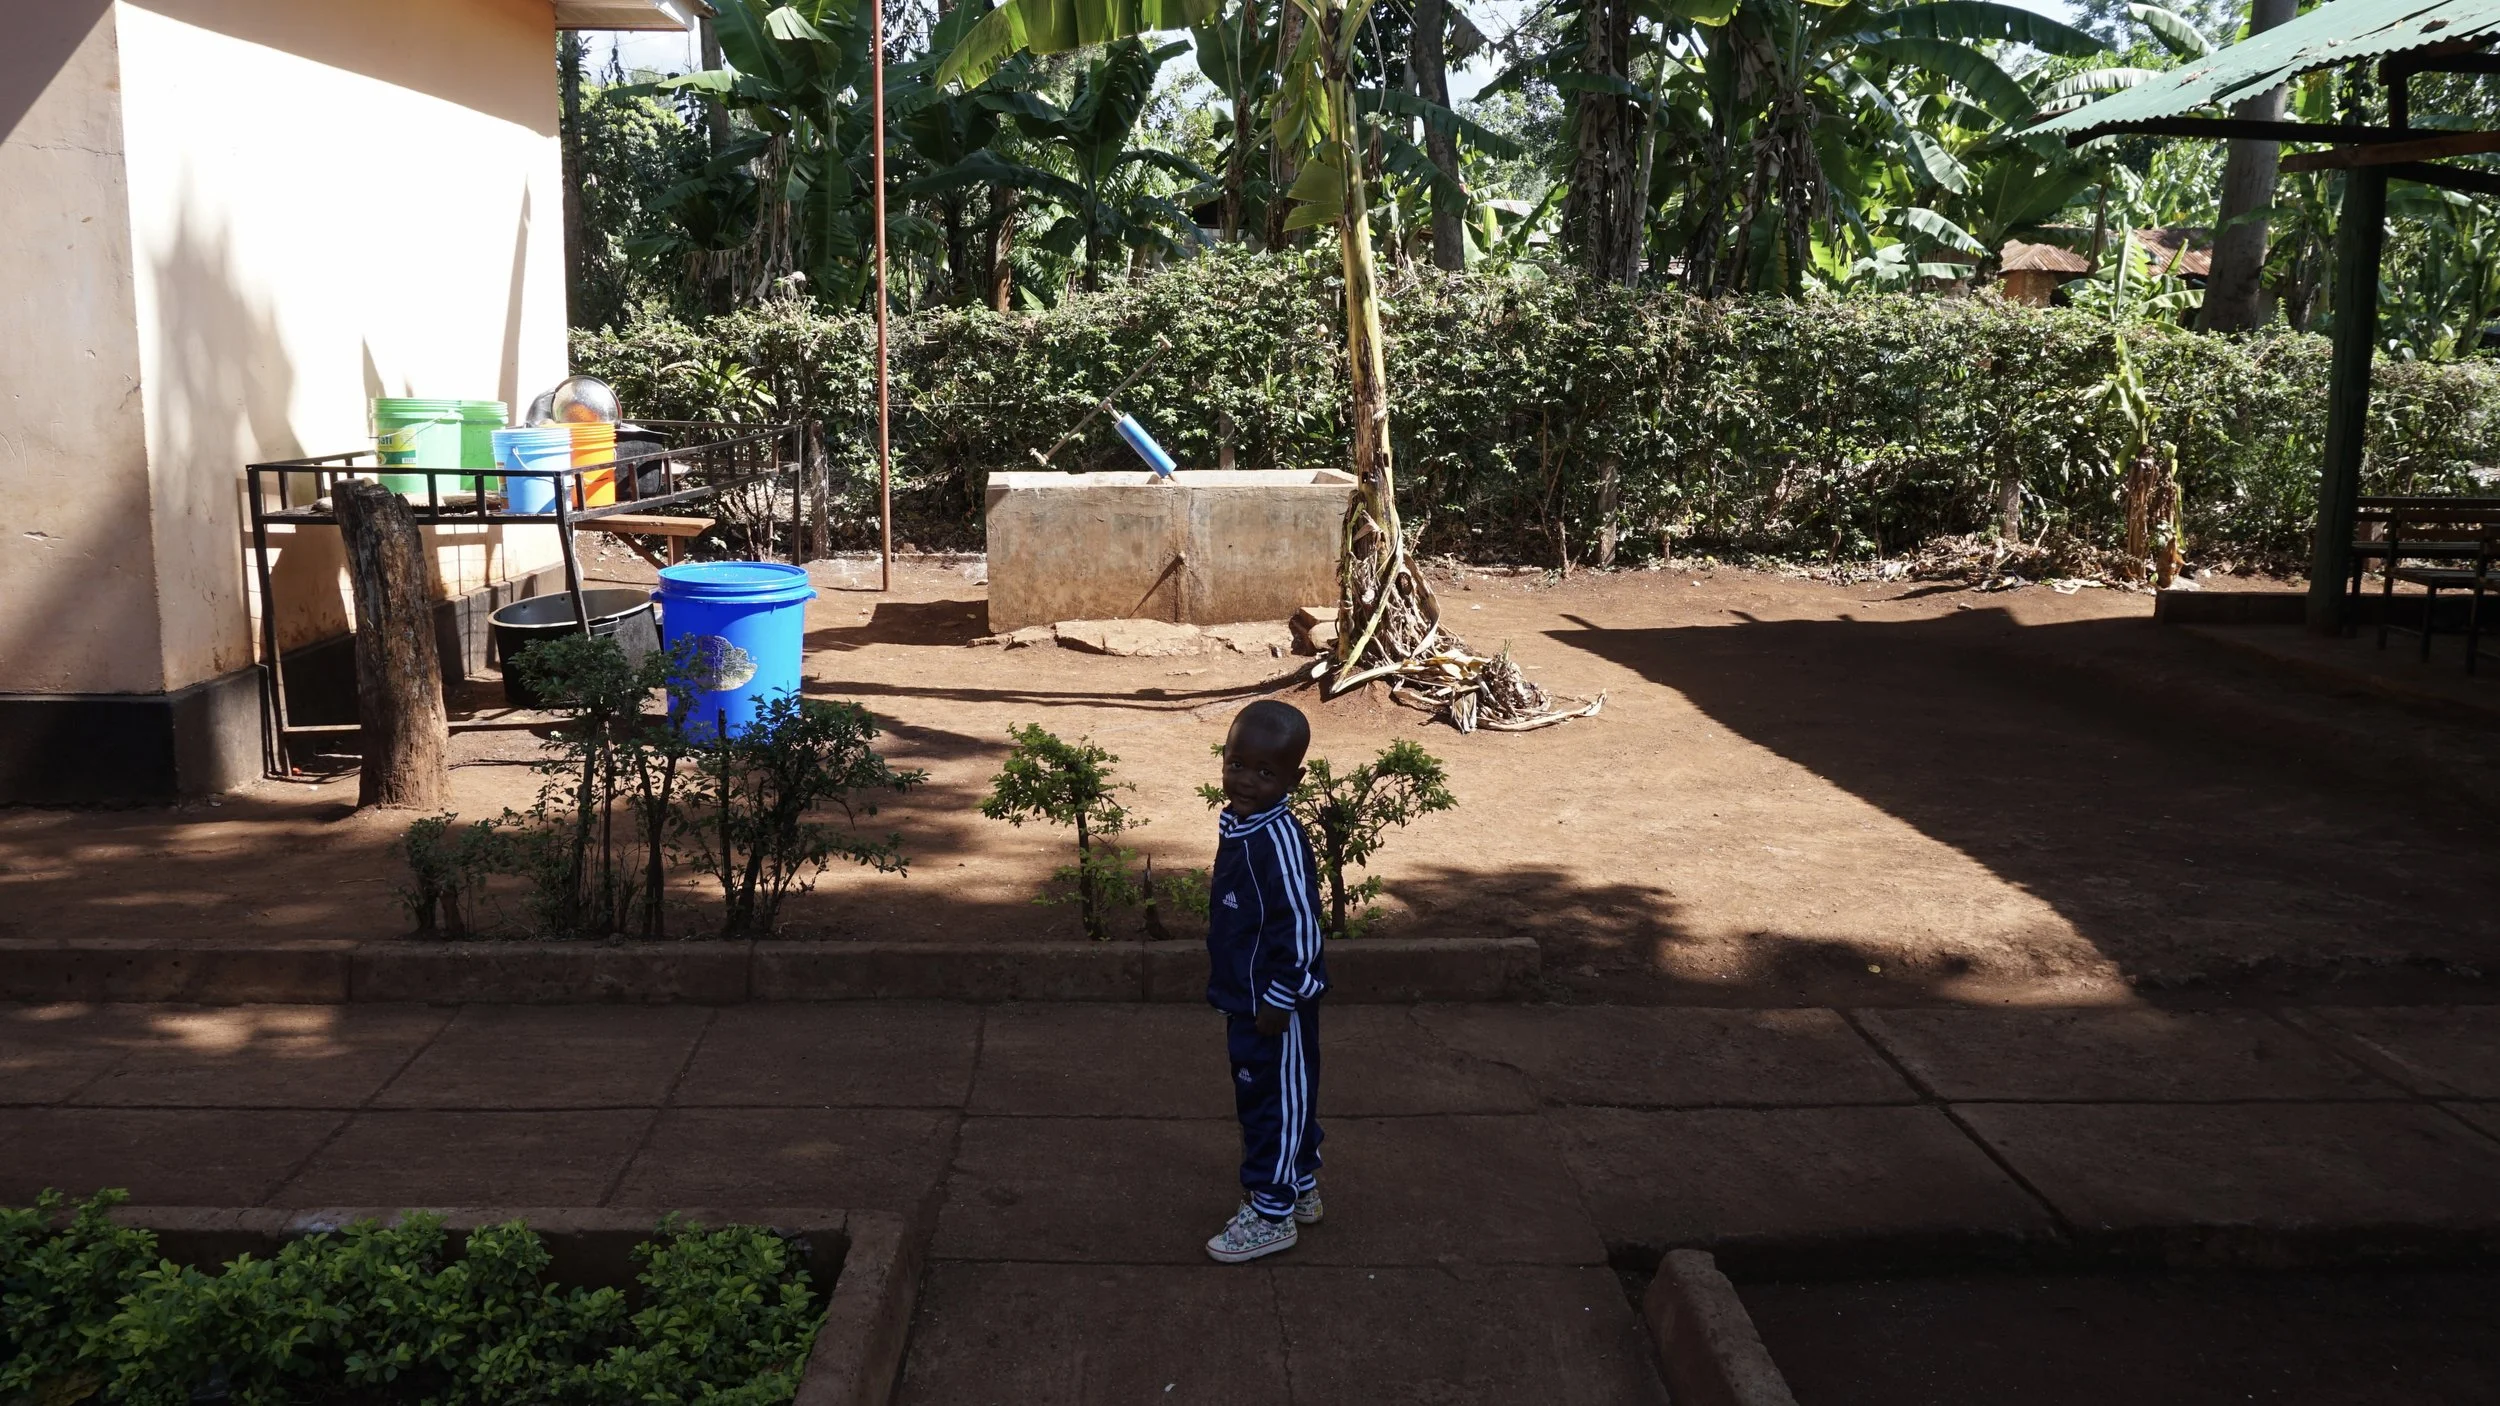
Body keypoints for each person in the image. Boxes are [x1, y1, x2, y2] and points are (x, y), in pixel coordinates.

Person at [1202, 699, 1328, 1264]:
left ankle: (1271, 1212)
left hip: (1276, 1006)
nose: (1245, 781)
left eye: (1265, 773)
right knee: (1270, 1095)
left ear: (1293, 780)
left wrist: (1284, 995)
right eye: (1235, 764)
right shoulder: (1243, 823)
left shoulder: (1277, 840)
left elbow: (1299, 923)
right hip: (1247, 997)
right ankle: (1298, 1183)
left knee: (1272, 1103)